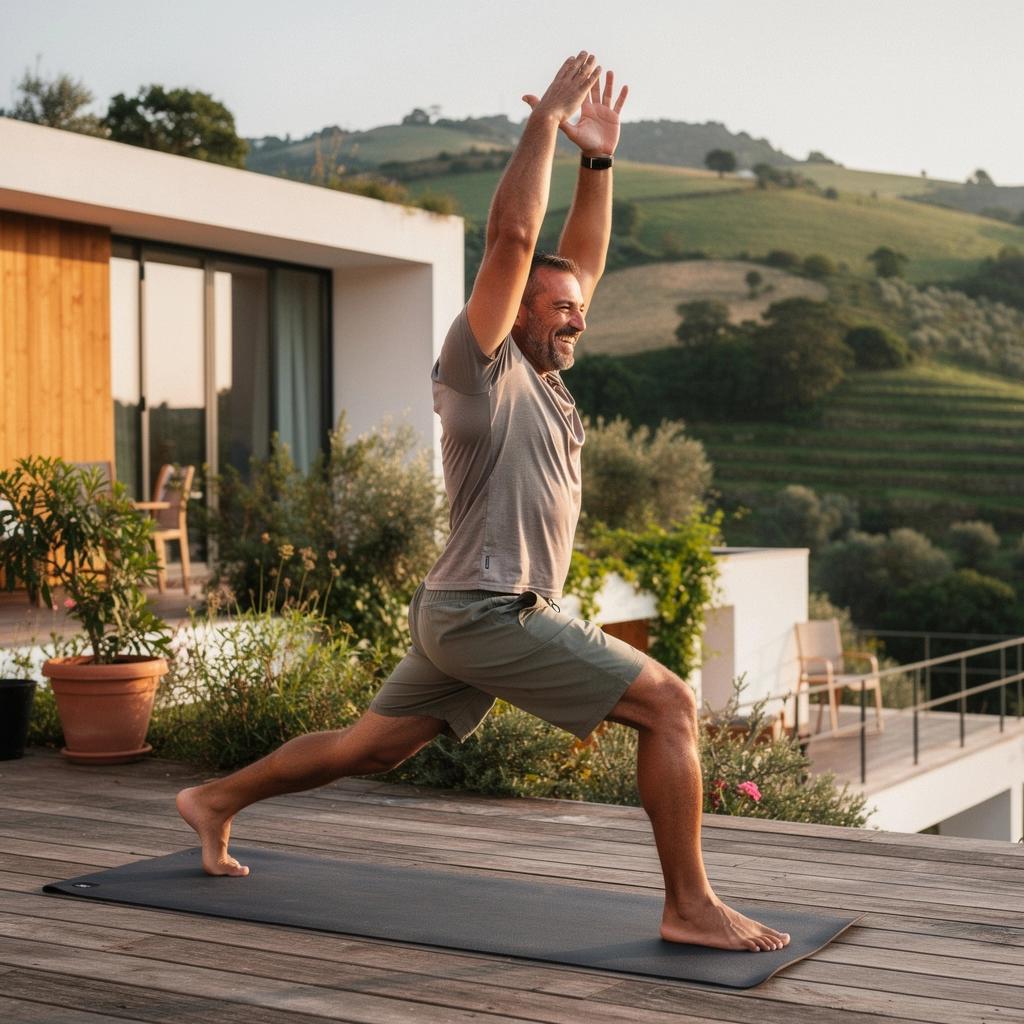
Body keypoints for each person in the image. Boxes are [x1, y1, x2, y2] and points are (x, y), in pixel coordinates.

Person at [177, 52, 790, 954]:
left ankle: (213, 798)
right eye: (561, 307)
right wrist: (544, 122)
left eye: (581, 306)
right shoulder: (478, 368)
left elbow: (571, 261)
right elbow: (514, 244)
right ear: (512, 311)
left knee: (368, 748)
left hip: (458, 609)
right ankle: (689, 904)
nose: (578, 314)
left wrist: (599, 162)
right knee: (669, 707)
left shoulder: (544, 371)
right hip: (488, 609)